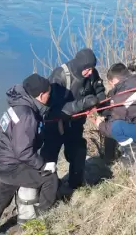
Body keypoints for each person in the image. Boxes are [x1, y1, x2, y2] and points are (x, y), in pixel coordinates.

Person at [0, 73, 59, 235]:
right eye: (49, 93)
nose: (50, 96)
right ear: (41, 95)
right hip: (13, 165)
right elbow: (23, 151)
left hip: (1, 162)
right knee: (50, 178)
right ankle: (41, 218)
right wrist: (43, 165)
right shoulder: (27, 115)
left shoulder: (17, 105)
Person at [41, 48, 106, 190]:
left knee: (78, 152)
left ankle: (75, 187)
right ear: (80, 66)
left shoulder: (92, 74)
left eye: (92, 69)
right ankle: (47, 192)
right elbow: (53, 109)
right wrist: (83, 103)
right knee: (49, 160)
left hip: (75, 124)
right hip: (55, 126)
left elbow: (99, 89)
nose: (90, 72)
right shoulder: (60, 76)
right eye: (87, 69)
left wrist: (101, 100)